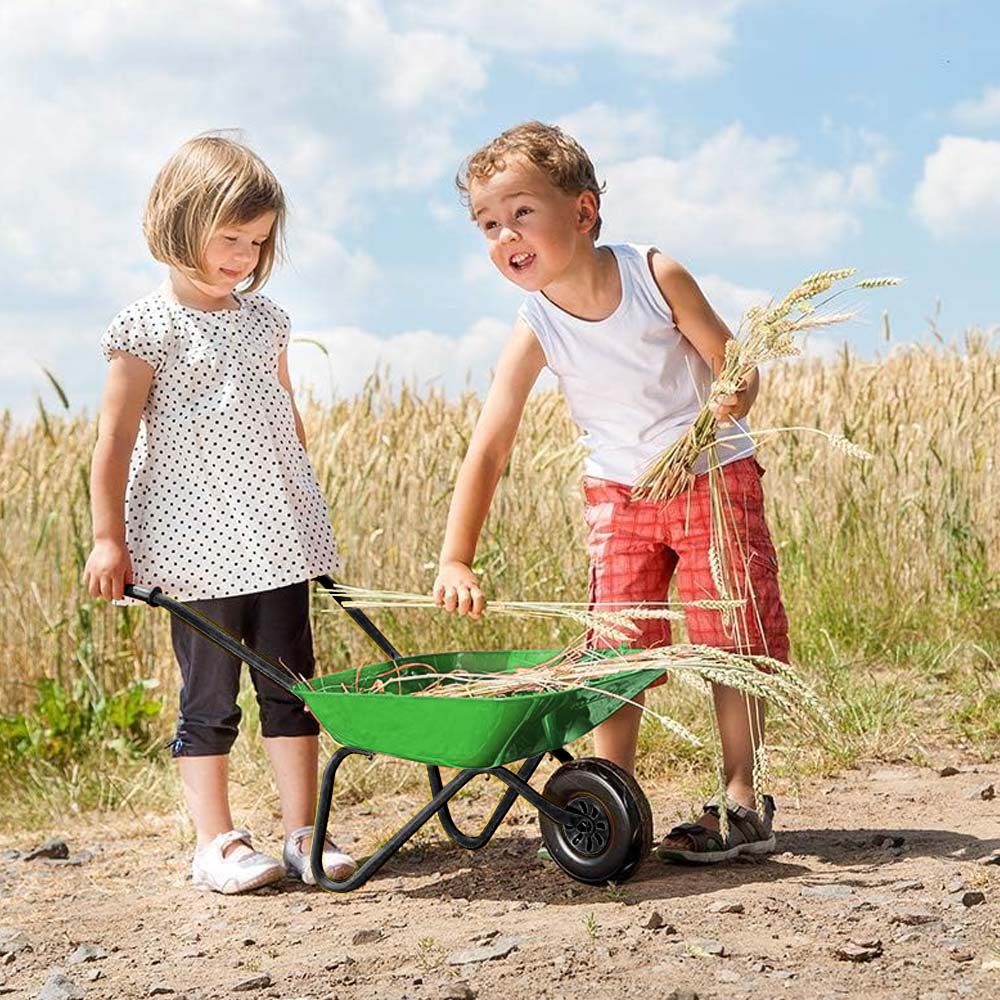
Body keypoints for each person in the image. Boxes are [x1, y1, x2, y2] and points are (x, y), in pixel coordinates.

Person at [433, 121, 788, 862]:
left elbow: (738, 370)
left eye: (521, 213)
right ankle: (609, 796)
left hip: (710, 478)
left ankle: (741, 798)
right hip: (619, 495)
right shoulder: (536, 325)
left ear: (584, 211)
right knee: (615, 650)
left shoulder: (656, 277)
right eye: (489, 225)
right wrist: (455, 557)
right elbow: (491, 442)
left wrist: (733, 392)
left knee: (729, 636)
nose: (506, 235)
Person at [83, 133, 356, 891]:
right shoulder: (148, 327)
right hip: (194, 544)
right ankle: (217, 842)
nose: (245, 256)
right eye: (231, 239)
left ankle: (305, 830)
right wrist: (109, 540)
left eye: (258, 243)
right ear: (181, 220)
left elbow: (284, 416)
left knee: (291, 684)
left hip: (275, 537)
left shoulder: (267, 320)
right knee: (209, 697)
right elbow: (114, 439)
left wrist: (305, 505)